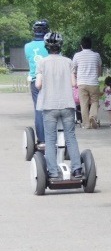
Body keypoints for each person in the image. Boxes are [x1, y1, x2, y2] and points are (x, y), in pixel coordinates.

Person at [35, 32, 83, 179]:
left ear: (46, 47)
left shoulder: (42, 63)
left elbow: (38, 85)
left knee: (50, 139)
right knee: (71, 137)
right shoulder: (68, 62)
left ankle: (53, 172)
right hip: (67, 104)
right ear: (60, 46)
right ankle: (77, 169)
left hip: (49, 106)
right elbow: (74, 83)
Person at [24, 20, 50, 148]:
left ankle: (42, 139)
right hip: (51, 80)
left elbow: (29, 60)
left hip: (35, 80)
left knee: (38, 109)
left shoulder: (27, 46)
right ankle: (54, 137)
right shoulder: (50, 45)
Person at [72, 36, 102, 129]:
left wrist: (76, 79)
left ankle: (86, 124)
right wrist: (97, 75)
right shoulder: (96, 55)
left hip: (81, 83)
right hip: (93, 83)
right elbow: (99, 69)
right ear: (91, 45)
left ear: (81, 46)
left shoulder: (77, 55)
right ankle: (92, 116)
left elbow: (73, 69)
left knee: (83, 104)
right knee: (95, 101)